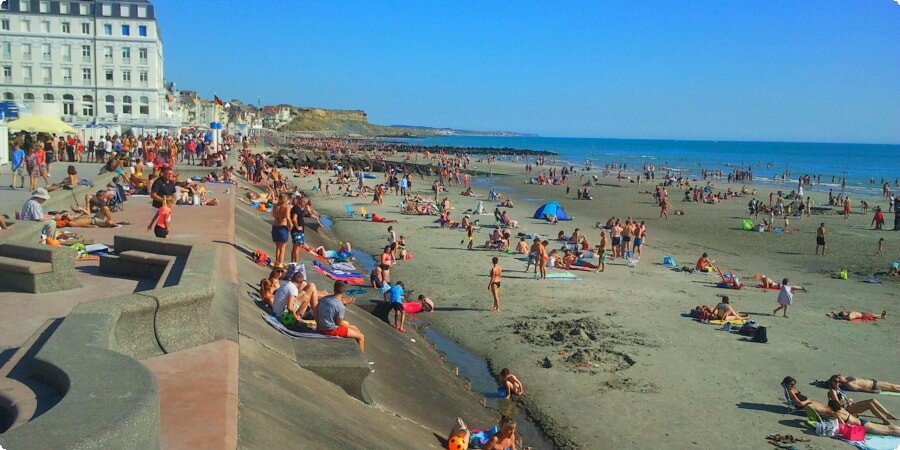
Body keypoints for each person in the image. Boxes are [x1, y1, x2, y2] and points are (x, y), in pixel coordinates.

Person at [315, 281, 365, 351]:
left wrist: (318, 324)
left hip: (322, 326)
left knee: (354, 329)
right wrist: (352, 327)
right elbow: (339, 323)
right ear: (344, 291)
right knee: (361, 336)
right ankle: (362, 358)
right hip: (330, 330)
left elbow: (316, 310)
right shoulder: (340, 306)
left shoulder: (324, 299)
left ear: (334, 289)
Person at [827, 375, 896, 424]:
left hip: (849, 406)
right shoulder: (832, 391)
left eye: (839, 382)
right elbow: (837, 405)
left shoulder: (839, 389)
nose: (837, 383)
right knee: (869, 404)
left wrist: (849, 401)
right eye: (835, 381)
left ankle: (888, 414)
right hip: (845, 410)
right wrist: (848, 401)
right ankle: (884, 420)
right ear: (832, 382)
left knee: (873, 400)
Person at [829, 400, 900, 437]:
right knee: (886, 428)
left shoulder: (836, 414)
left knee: (888, 431)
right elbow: (841, 403)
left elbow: (843, 425)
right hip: (862, 421)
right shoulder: (841, 409)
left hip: (862, 426)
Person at [271, 194, 291, 268]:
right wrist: (291, 225)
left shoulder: (276, 206)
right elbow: (288, 218)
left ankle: (277, 262)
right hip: (283, 226)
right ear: (285, 200)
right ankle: (281, 263)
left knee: (278, 247)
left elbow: (274, 215)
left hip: (275, 226)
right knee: (283, 247)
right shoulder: (286, 207)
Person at [833, 375, 900, 394]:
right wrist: (872, 391)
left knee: (891, 385)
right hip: (874, 386)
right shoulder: (848, 384)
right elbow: (860, 389)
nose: (841, 375)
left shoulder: (847, 378)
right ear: (839, 380)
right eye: (839, 377)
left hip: (873, 382)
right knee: (893, 387)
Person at [289, 195, 306, 264]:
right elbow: (294, 219)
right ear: (300, 201)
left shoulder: (298, 208)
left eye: (305, 202)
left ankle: (293, 263)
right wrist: (297, 227)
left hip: (297, 231)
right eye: (304, 202)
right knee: (297, 247)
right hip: (297, 231)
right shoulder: (296, 208)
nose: (304, 204)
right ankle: (295, 263)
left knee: (296, 246)